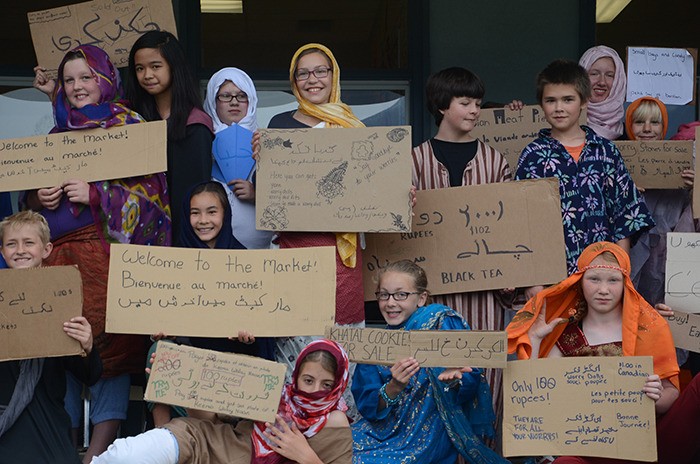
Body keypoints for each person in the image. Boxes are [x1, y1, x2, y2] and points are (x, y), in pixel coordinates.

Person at [28, 44, 171, 462]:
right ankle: (66, 444)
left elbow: (155, 201)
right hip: (56, 264)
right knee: (62, 346)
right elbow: (26, 207)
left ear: (105, 79)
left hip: (110, 265)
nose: (77, 87)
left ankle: (98, 453)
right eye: (69, 80)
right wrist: (38, 196)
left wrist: (96, 194)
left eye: (85, 77)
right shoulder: (56, 134)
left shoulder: (130, 128)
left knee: (109, 355)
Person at [506, 241, 700, 464]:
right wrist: (536, 339)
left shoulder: (649, 327)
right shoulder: (566, 332)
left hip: (648, 445)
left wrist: (655, 398)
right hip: (588, 449)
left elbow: (670, 393)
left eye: (613, 280)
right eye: (594, 279)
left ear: (625, 283)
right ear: (580, 282)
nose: (603, 290)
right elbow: (535, 393)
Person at [411, 66, 512, 434]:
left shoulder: (496, 162)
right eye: (464, 102)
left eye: (478, 104)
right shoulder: (413, 161)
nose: (473, 110)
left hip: (483, 292)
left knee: (483, 377)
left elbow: (510, 228)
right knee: (431, 378)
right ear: (441, 106)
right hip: (431, 295)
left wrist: (509, 280)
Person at [263, 43, 365, 385]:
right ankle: (295, 428)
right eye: (303, 73)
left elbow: (372, 186)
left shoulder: (353, 126)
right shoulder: (279, 124)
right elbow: (270, 194)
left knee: (341, 347)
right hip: (297, 249)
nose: (313, 79)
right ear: (294, 81)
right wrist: (262, 162)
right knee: (297, 342)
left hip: (341, 254)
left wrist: (396, 195)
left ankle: (337, 430)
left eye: (321, 71)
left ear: (333, 74)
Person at [91, 339, 353, 464]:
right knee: (121, 456)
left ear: (338, 385)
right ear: (296, 377)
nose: (315, 391)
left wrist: (305, 456)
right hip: (211, 448)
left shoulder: (336, 421)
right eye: (308, 381)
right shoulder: (271, 392)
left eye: (326, 385)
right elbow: (204, 420)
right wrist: (180, 387)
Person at [352, 260, 506, 464]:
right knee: (338, 452)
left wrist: (454, 380)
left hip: (427, 437)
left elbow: (470, 379)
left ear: (421, 298)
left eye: (401, 295)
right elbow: (368, 405)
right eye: (383, 294)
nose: (390, 302)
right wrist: (393, 387)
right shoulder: (375, 344)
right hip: (382, 432)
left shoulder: (441, 323)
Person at [146, 181, 273, 426]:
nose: (203, 220)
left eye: (212, 212)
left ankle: (223, 437)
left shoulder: (248, 263)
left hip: (233, 364)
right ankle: (163, 437)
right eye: (195, 213)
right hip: (192, 362)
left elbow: (263, 339)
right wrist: (162, 333)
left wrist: (250, 337)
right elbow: (163, 317)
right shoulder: (173, 263)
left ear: (226, 214)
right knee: (158, 352)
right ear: (186, 215)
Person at [514, 59, 653, 276]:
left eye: (568, 99)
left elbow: (625, 214)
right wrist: (534, 279)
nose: (559, 108)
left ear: (584, 102)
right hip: (551, 275)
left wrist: (620, 270)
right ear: (541, 105)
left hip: (602, 273)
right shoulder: (533, 156)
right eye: (551, 100)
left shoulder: (606, 152)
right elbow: (523, 223)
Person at [0, 210, 102, 463]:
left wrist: (87, 346)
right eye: (11, 244)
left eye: (29, 243)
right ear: (2, 251)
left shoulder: (62, 296)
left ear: (46, 249)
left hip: (48, 421)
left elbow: (89, 375)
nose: (20, 250)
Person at [127, 30, 214, 242]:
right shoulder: (133, 119)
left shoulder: (195, 126)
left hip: (180, 239)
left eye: (155, 66)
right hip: (137, 234)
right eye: (140, 68)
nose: (147, 75)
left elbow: (195, 196)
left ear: (174, 67)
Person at [625, 97, 697, 307]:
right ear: (629, 125)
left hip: (669, 259)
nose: (647, 129)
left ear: (663, 126)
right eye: (639, 122)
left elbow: (692, 220)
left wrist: (695, 188)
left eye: (654, 122)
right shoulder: (616, 161)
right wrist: (625, 193)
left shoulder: (683, 162)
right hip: (629, 254)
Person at [203, 67, 274, 249]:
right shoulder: (200, 142)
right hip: (211, 255)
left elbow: (289, 201)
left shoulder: (270, 143)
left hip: (261, 255)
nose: (234, 102)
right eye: (226, 96)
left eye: (241, 96)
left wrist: (256, 195)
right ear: (213, 101)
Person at [578, 46, 626, 140]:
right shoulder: (566, 126)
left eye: (609, 75)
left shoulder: (632, 133)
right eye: (594, 74)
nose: (602, 82)